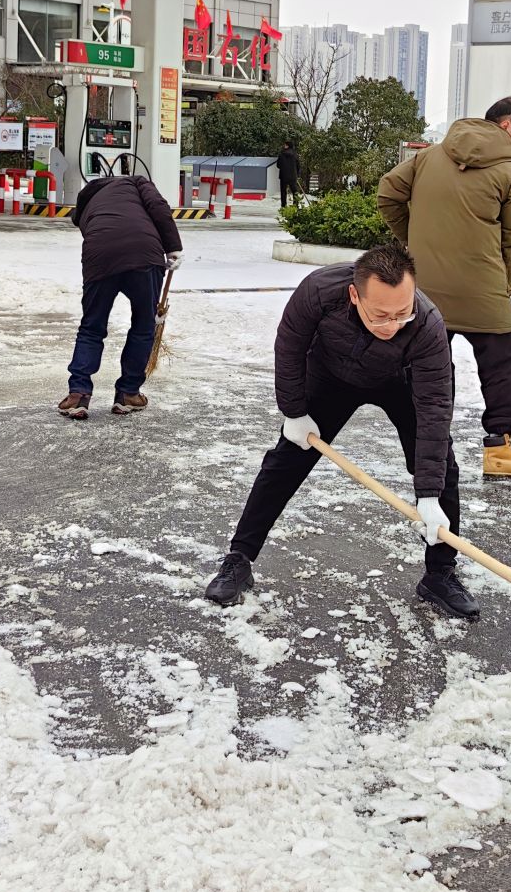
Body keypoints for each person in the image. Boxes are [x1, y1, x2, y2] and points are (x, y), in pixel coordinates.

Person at [202, 244, 477, 619]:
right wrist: (294, 412)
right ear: (354, 294)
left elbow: (434, 410)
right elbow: (290, 347)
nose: (393, 324)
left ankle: (440, 573)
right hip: (331, 375)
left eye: (402, 312)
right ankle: (239, 559)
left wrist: (428, 493)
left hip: (402, 382)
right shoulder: (319, 291)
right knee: (286, 461)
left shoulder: (427, 324)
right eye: (380, 315)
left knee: (442, 468)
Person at [377, 96, 511, 478]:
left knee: (433, 365)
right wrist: (507, 287)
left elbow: (388, 194)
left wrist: (413, 244)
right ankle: (499, 451)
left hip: (427, 288)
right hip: (484, 287)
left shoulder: (429, 156)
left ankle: (430, 443)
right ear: (505, 127)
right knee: (501, 364)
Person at [56, 172, 183, 421]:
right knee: (144, 325)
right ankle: (128, 393)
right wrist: (174, 247)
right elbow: (158, 206)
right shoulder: (136, 182)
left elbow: (83, 224)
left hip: (99, 256)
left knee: (92, 325)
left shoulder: (88, 199)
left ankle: (78, 394)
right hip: (144, 253)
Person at [277, 139, 301, 209]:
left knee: (283, 191)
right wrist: (297, 174)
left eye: (285, 145)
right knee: (295, 191)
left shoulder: (281, 154)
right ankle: (295, 205)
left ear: (287, 145)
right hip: (293, 176)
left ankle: (283, 206)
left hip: (283, 176)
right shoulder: (295, 154)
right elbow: (298, 165)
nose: (284, 146)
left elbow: (278, 165)